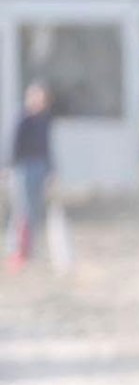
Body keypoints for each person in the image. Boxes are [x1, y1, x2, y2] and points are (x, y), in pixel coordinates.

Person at [7, 82, 55, 272]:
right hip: (23, 168)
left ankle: (30, 250)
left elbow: (48, 148)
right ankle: (17, 250)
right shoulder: (23, 119)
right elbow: (14, 145)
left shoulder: (45, 120)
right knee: (22, 210)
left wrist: (52, 170)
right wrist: (8, 168)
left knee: (34, 209)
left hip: (40, 167)